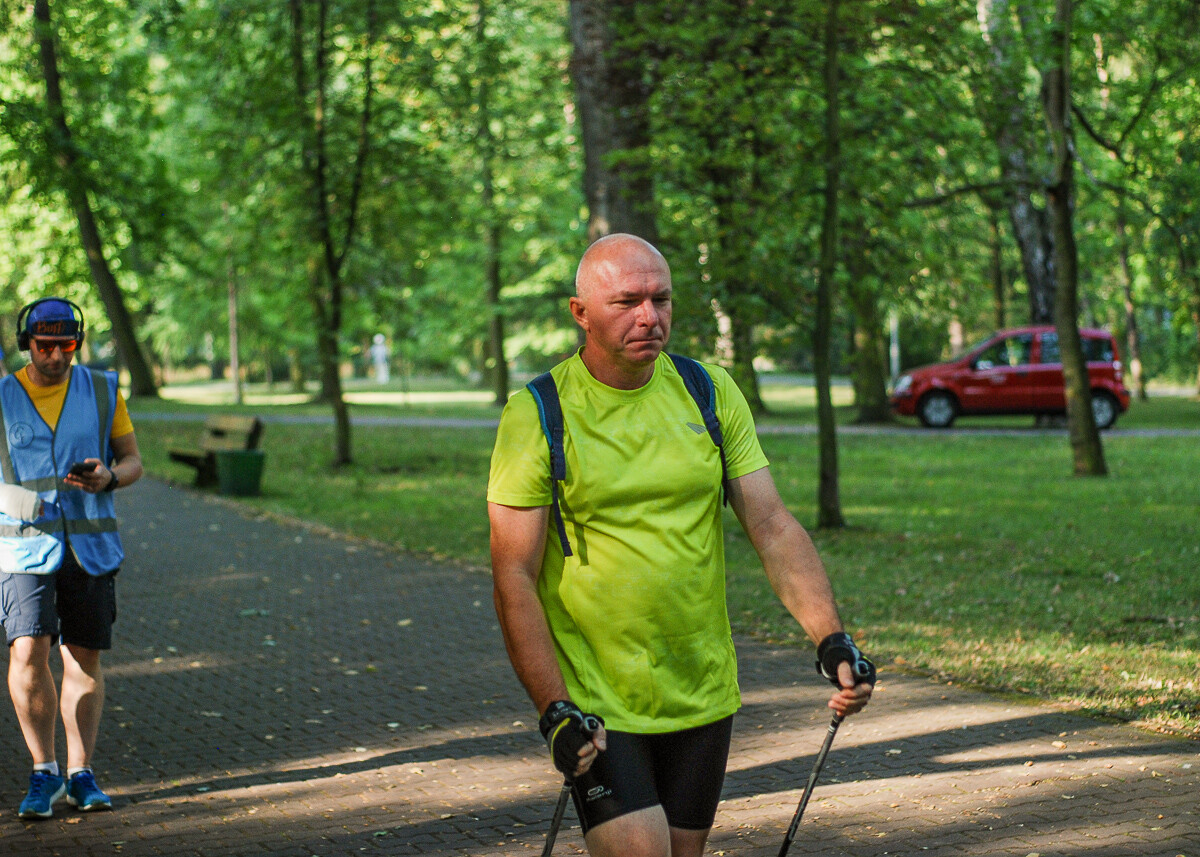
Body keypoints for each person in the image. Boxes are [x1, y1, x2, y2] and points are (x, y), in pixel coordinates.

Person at [487, 234, 874, 857]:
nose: (649, 317)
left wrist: (830, 638)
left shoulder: (709, 391)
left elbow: (772, 526)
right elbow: (513, 576)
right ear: (579, 313)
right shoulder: (538, 412)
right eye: (627, 302)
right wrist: (553, 708)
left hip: (702, 688)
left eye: (661, 299)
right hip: (597, 700)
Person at [0, 298, 142, 819]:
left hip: (91, 548)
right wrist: (14, 499)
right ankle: (44, 772)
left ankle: (81, 773)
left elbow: (132, 461)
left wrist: (110, 476)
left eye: (66, 345)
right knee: (26, 652)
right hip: (21, 547)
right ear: (26, 343)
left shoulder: (103, 389)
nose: (56, 356)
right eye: (45, 346)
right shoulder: (1, 395)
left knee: (83, 658)